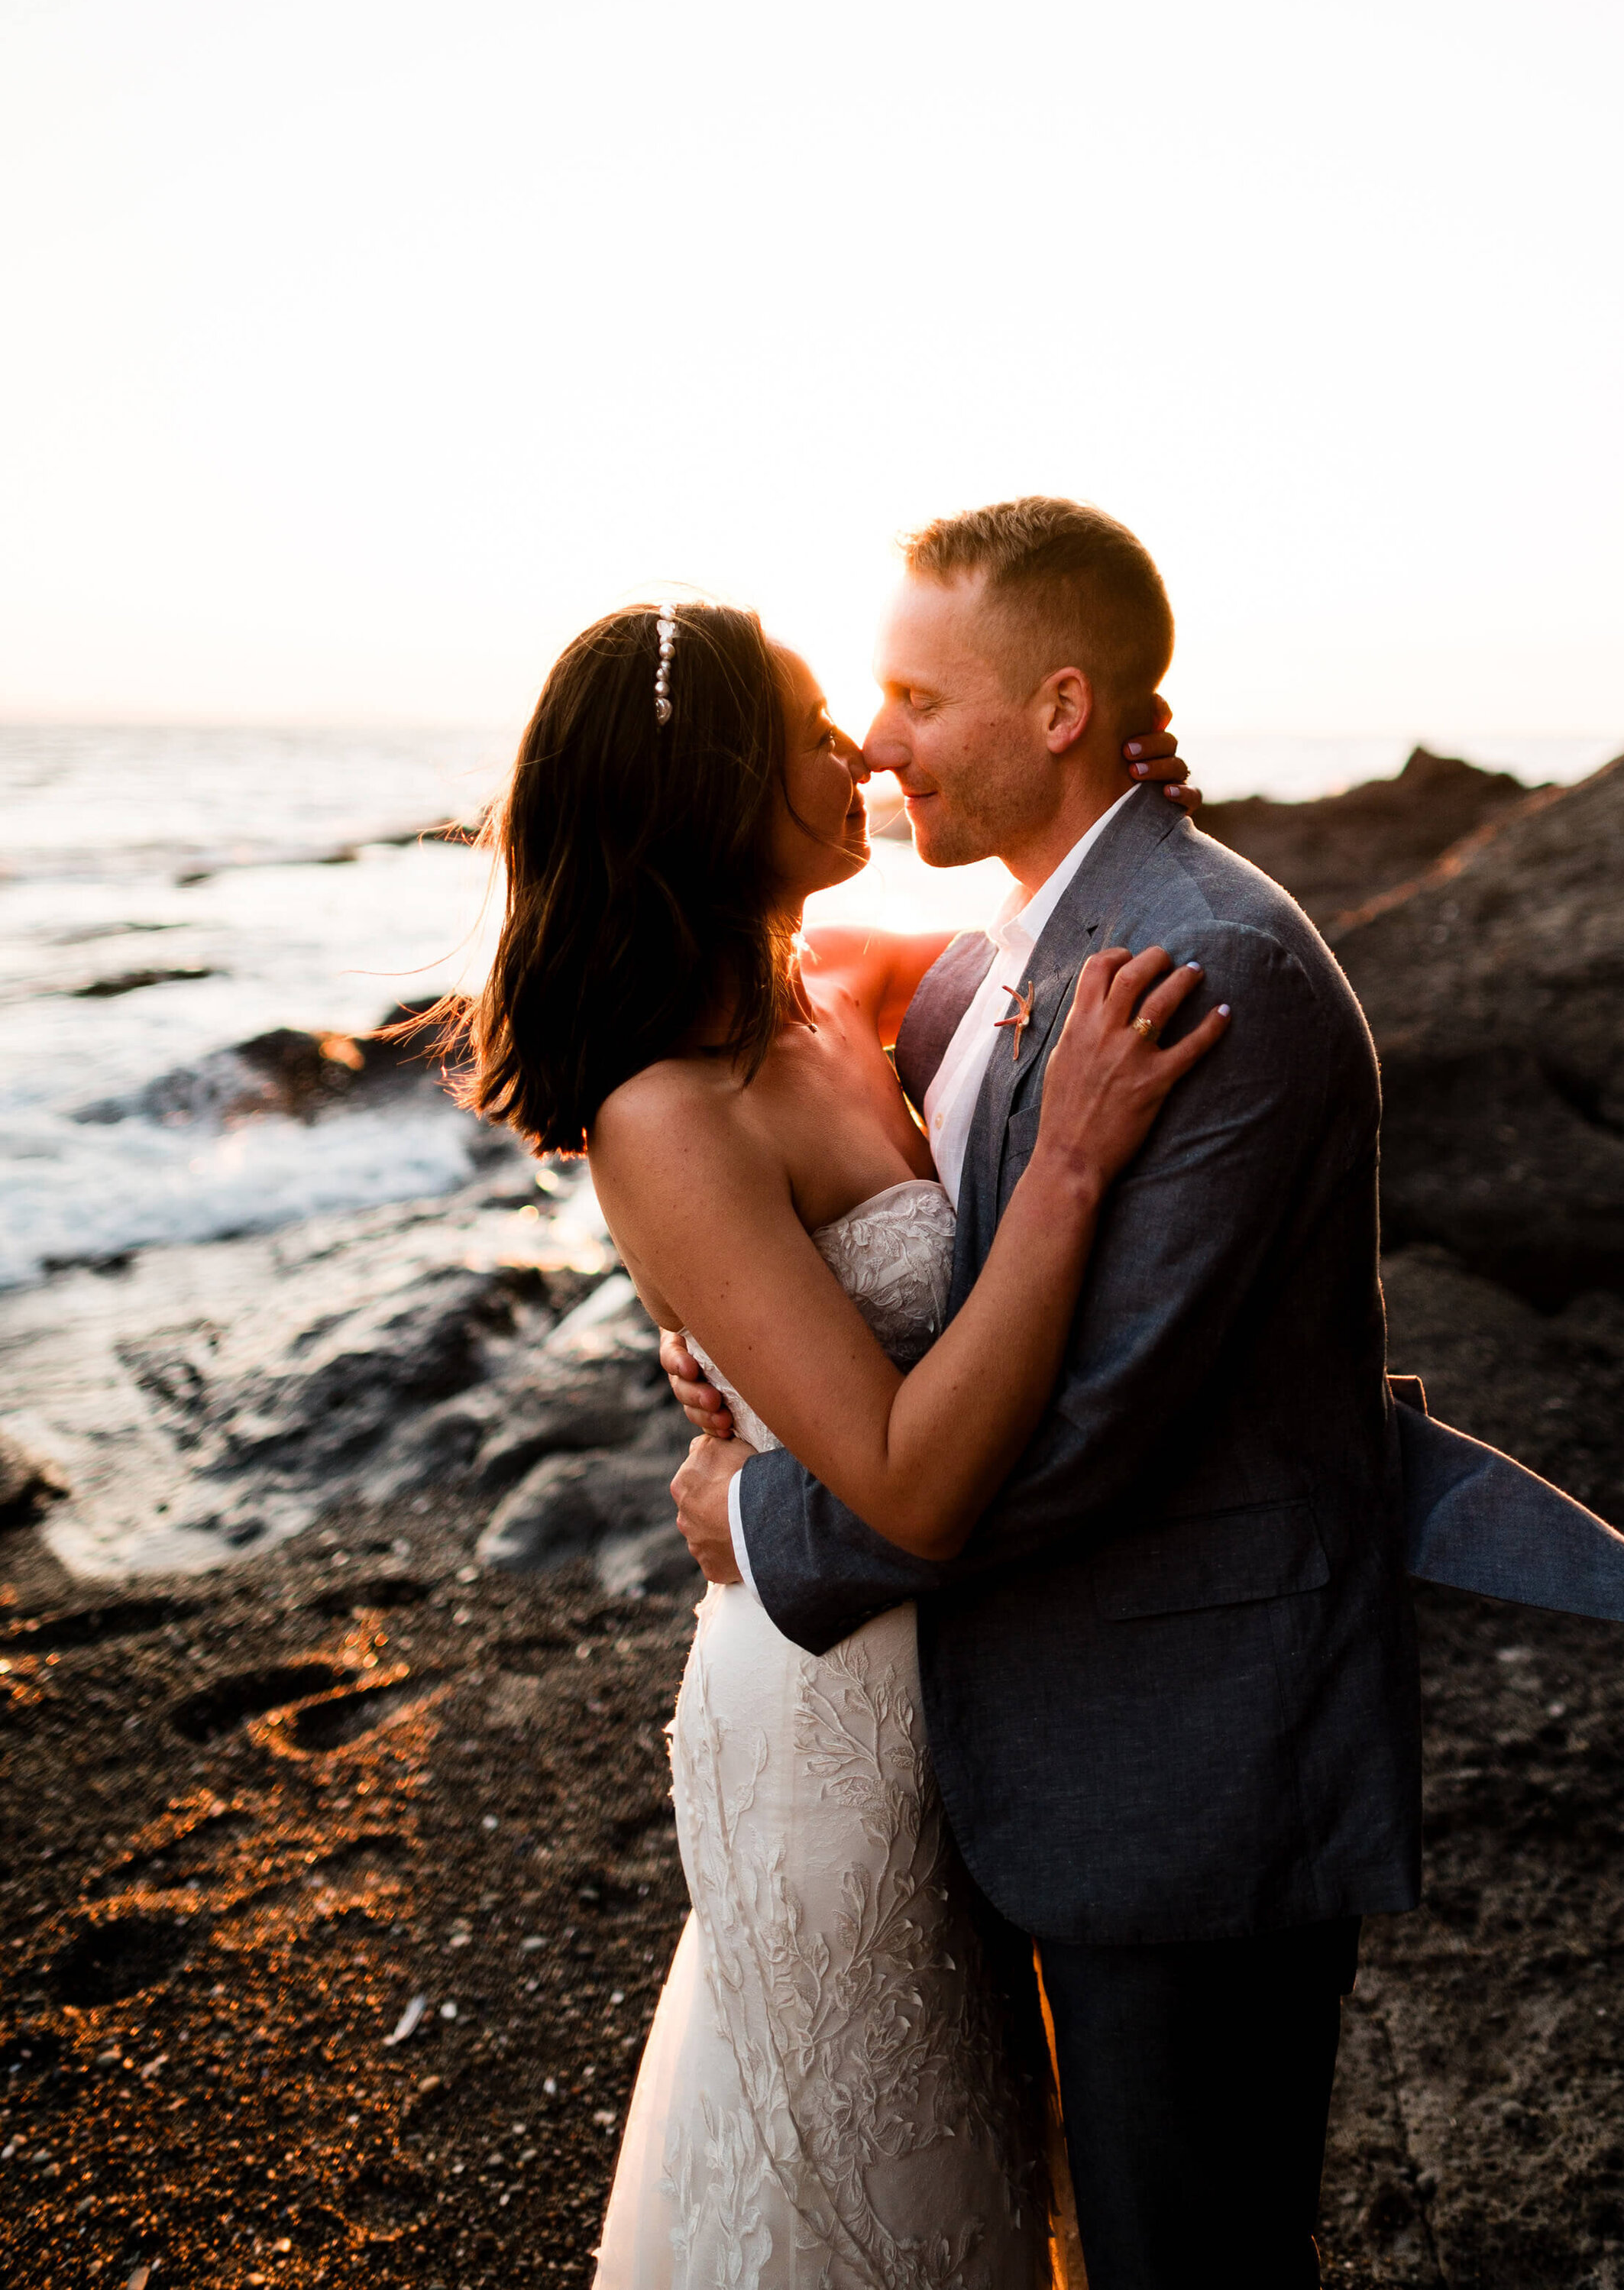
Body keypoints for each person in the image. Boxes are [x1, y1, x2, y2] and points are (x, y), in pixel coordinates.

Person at [666, 498, 1423, 2290]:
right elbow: (828, 1113)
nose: (873, 740)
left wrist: (761, 1514)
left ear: (1063, 706)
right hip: (1042, 1745)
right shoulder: (1015, 945)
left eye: (918, 696)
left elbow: (1092, 1428)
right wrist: (740, 1313)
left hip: (1192, 1762)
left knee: (1192, 2254)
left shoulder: (1198, 967)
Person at [441, 583, 1215, 2288]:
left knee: (980, 2154)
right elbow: (912, 1481)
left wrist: (1124, 803)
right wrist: (1072, 1168)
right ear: (713, 787)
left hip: (964, 1696)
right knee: (875, 2182)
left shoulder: (831, 993)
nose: (857, 748)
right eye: (804, 727)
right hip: (829, 1733)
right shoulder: (665, 1107)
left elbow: (1039, 933)